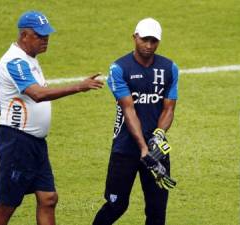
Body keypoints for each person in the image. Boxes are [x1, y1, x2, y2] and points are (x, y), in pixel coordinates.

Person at [0, 10, 104, 225]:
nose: (45, 40)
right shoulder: (15, 61)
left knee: (48, 198)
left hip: (35, 143)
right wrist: (79, 86)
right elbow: (37, 94)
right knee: (6, 206)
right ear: (24, 35)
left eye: (47, 35)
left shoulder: (29, 59)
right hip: (17, 142)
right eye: (40, 36)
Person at [93, 18, 179, 225]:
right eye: (144, 40)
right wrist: (143, 148)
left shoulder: (169, 68)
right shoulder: (119, 69)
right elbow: (129, 110)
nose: (148, 46)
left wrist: (158, 135)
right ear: (134, 37)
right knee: (116, 205)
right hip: (126, 149)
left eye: (153, 41)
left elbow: (169, 108)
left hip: (156, 149)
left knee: (157, 211)